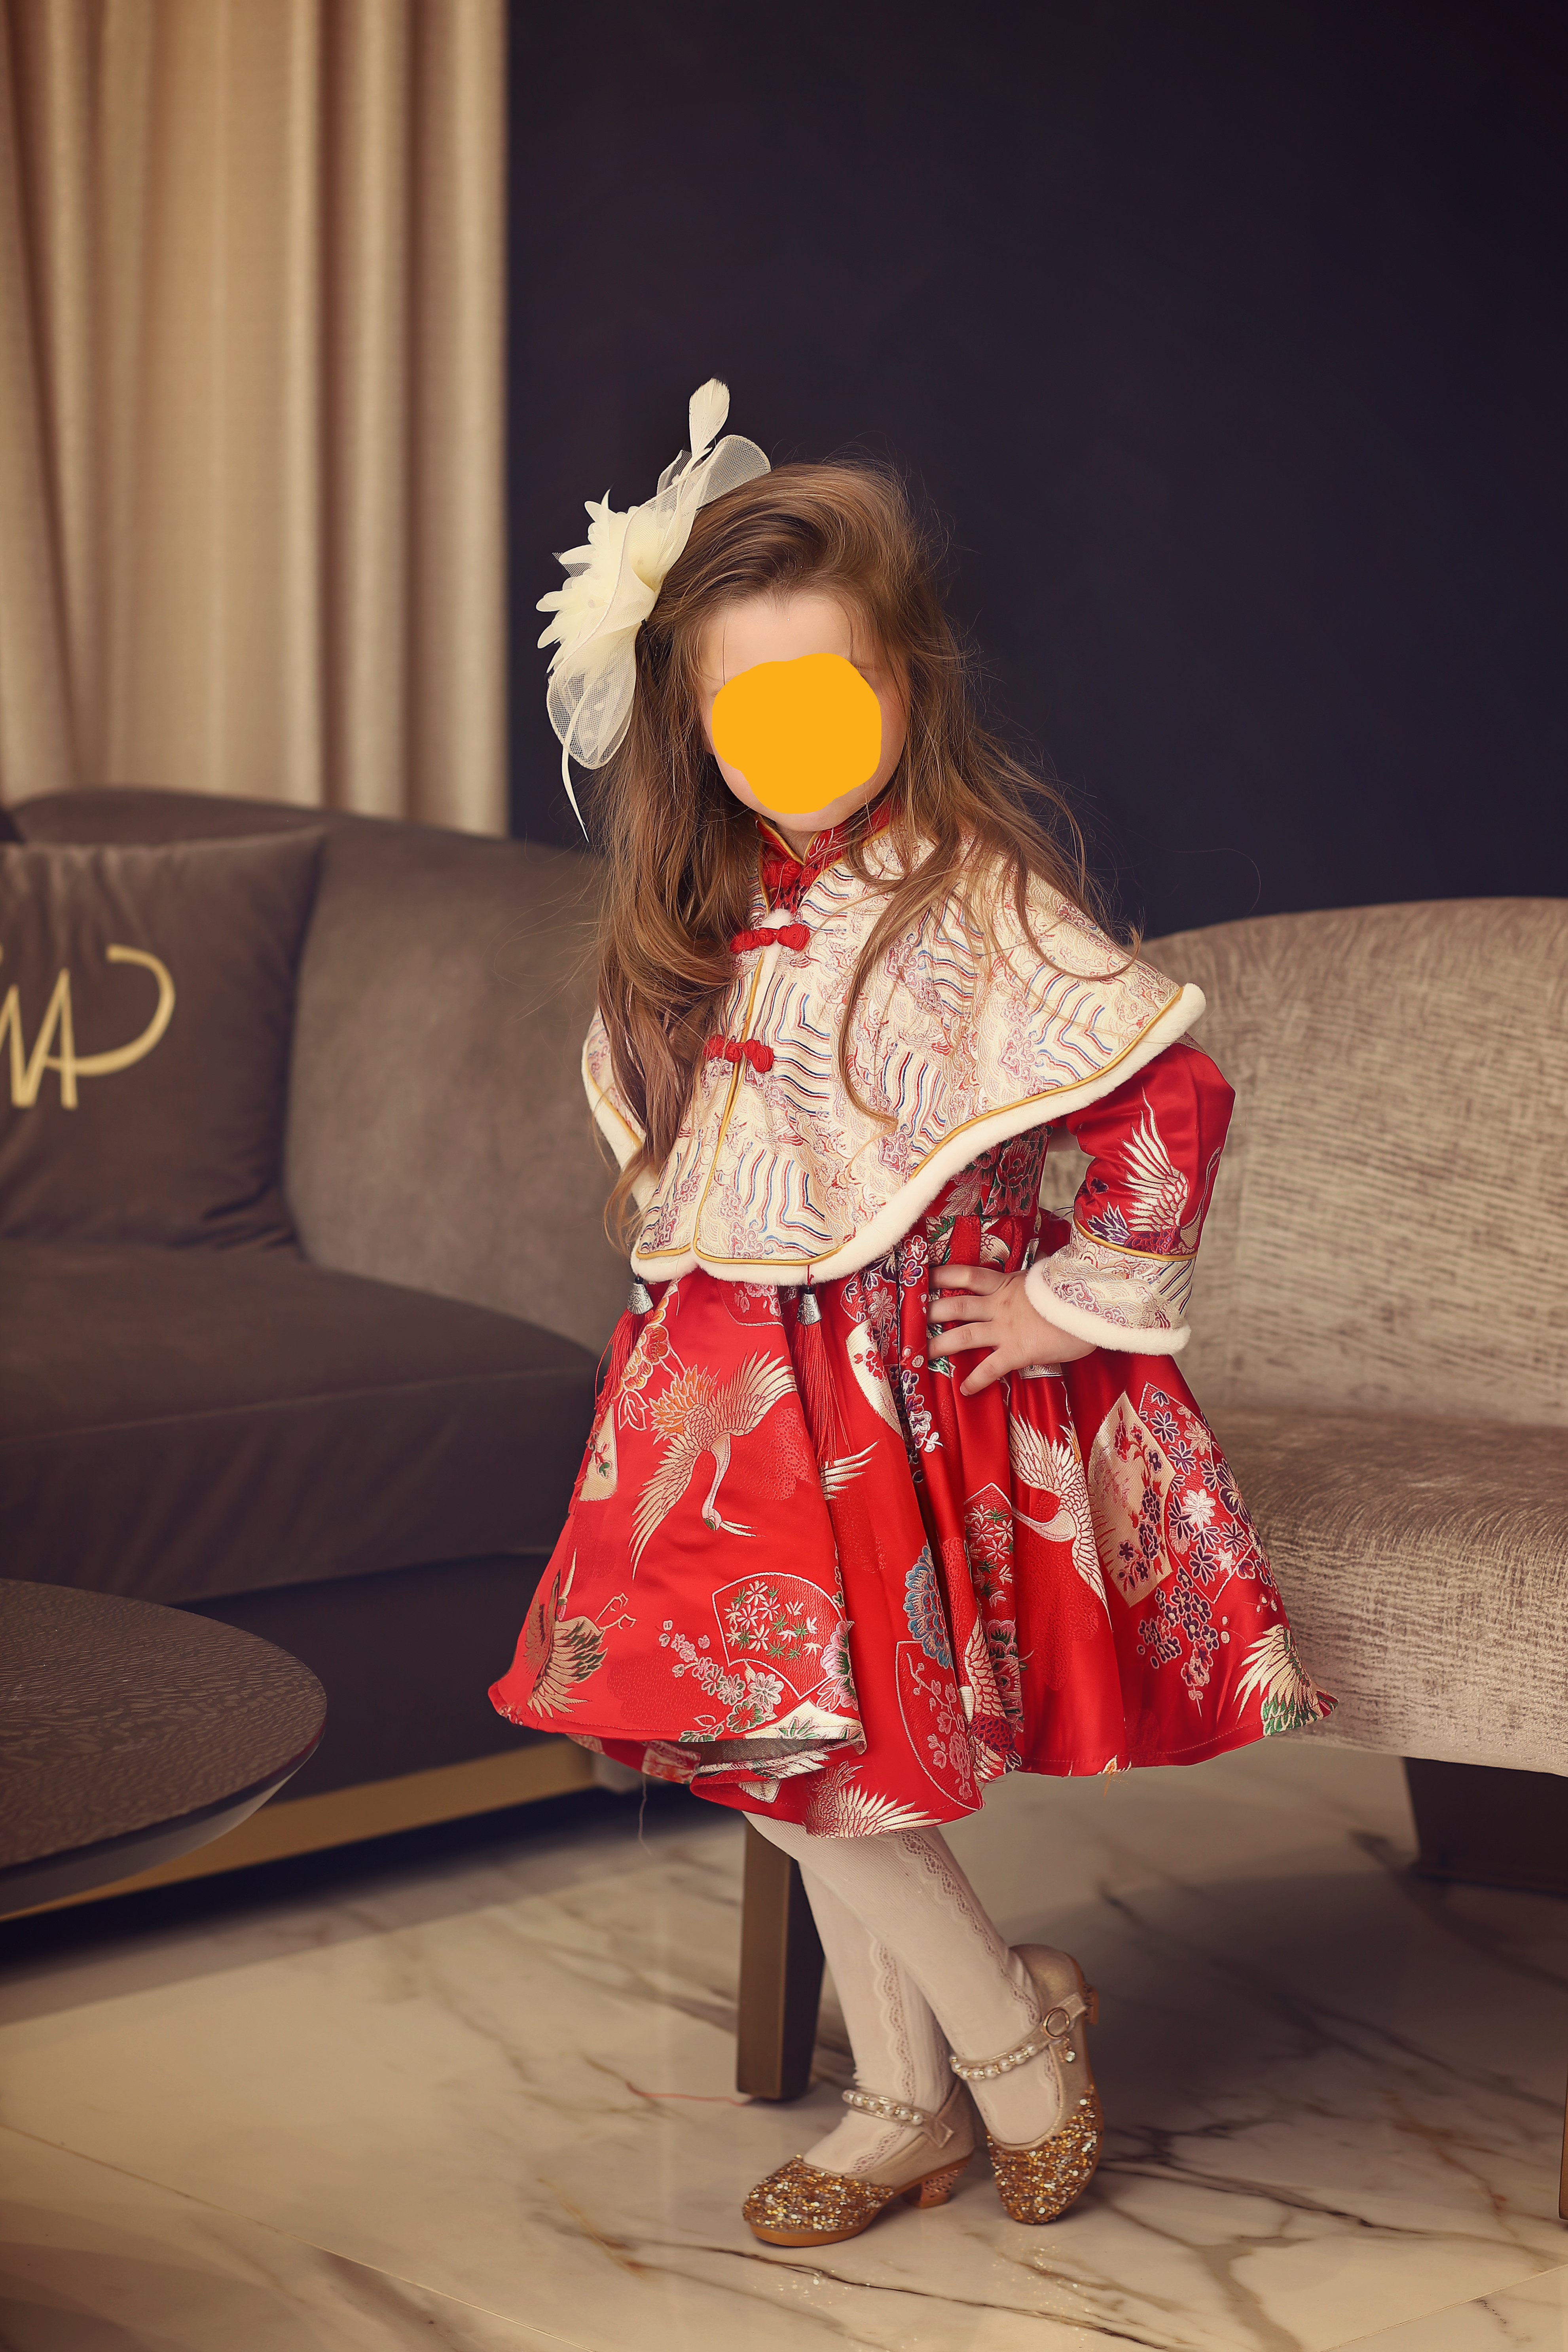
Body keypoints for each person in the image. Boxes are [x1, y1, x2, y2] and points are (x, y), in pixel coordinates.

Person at [491, 382, 1332, 2246]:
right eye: (748, 706)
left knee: (822, 1751)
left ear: (901, 685)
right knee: (766, 1744)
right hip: (713, 1393)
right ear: (694, 725)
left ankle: (952, 2078)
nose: (790, 736)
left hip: (871, 1396)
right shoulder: (714, 912)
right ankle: (976, 2042)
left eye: (828, 691)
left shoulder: (969, 901)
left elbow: (1166, 1094)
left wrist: (1070, 1297)